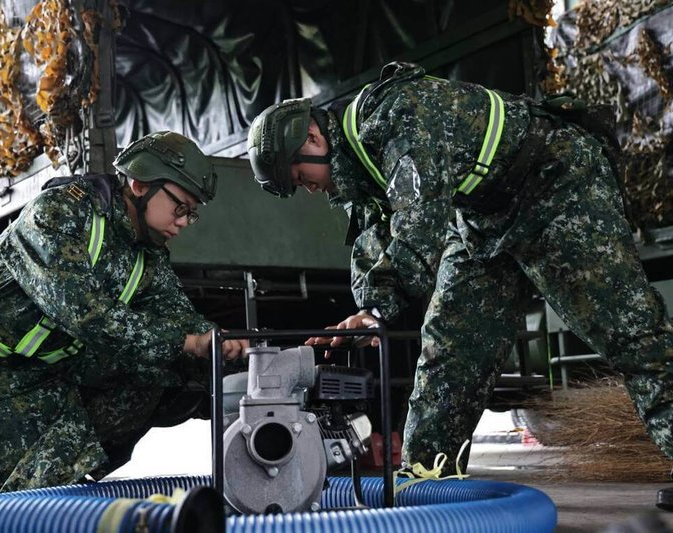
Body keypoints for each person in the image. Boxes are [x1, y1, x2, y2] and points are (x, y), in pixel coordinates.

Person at [246, 61, 673, 478]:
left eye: (302, 177)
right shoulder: (358, 168)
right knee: (450, 352)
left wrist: (378, 308)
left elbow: (420, 220)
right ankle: (425, 491)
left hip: (554, 182)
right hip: (483, 218)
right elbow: (373, 237)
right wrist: (367, 311)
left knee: (631, 333)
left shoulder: (397, 116)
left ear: (315, 137)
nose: (311, 189)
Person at [0, 131, 248, 503]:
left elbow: (180, 318)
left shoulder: (146, 255)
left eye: (192, 212)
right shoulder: (59, 213)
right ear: (140, 185)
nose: (185, 221)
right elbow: (84, 313)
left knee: (158, 377)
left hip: (40, 373)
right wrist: (185, 342)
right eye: (181, 207)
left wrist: (226, 346)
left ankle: (44, 489)